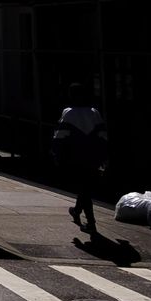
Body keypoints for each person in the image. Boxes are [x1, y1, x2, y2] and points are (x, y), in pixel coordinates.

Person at [52, 82, 109, 231]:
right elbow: (103, 136)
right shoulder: (94, 113)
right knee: (86, 186)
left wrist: (57, 154)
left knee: (84, 187)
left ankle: (91, 222)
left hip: (75, 155)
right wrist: (104, 156)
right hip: (93, 156)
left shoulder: (68, 113)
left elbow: (60, 136)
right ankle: (77, 211)